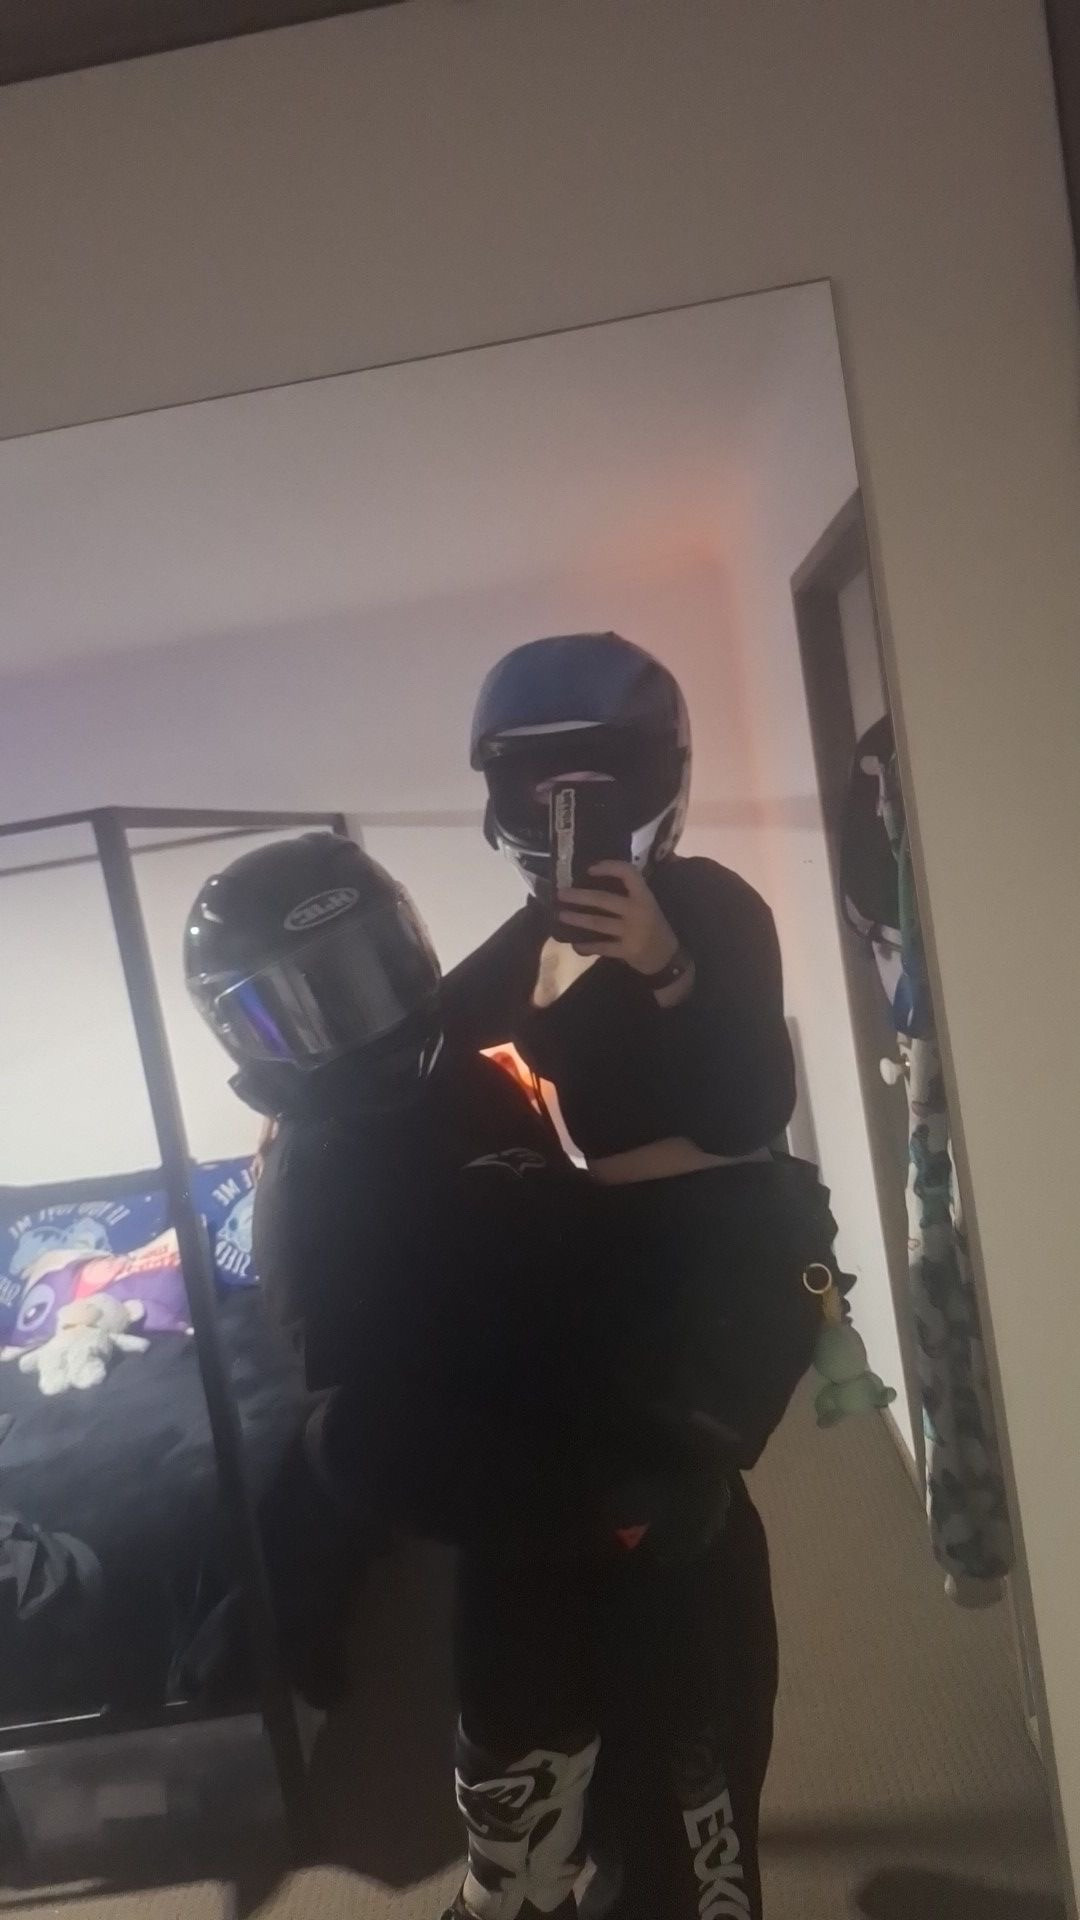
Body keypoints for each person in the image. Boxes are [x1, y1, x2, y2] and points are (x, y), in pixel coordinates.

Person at [184, 832, 750, 1920]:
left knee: (672, 1780)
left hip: (611, 1442)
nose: (359, 1019)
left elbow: (465, 994)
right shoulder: (319, 1185)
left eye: (367, 974)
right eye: (306, 1007)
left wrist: (555, 898)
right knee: (560, 1805)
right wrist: (602, 1504)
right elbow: (364, 1442)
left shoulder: (443, 1064)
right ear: (244, 1035)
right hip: (545, 1507)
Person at [444, 631, 844, 1913]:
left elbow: (749, 1106)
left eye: (594, 779)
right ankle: (620, 1837)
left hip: (721, 1258)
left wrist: (667, 964)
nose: (565, 809)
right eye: (539, 785)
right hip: (621, 1262)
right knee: (613, 1547)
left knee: (680, 1536)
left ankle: (696, 1845)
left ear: (653, 776)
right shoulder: (542, 932)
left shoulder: (715, 905)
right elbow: (444, 1041)